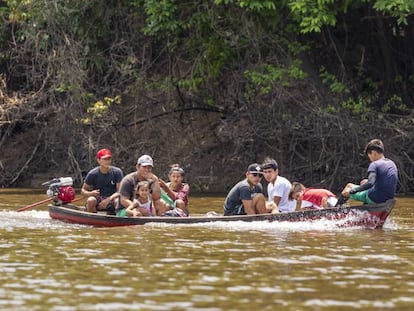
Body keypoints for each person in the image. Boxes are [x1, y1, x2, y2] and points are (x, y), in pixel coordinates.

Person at [337, 139, 398, 205]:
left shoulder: (374, 164)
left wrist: (353, 191)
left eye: (369, 156)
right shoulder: (391, 163)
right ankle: (365, 211)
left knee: (349, 186)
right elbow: (385, 182)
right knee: (366, 189)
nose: (370, 159)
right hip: (388, 198)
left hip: (375, 198)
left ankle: (334, 210)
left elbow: (370, 183)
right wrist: (370, 182)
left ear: (374, 153)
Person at [81, 148, 124, 214]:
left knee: (118, 201)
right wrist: (90, 193)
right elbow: (83, 190)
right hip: (98, 200)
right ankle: (93, 219)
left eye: (109, 159)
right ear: (99, 160)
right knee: (91, 200)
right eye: (104, 159)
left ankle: (117, 218)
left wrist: (109, 199)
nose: (107, 161)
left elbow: (120, 191)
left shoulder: (117, 172)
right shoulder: (93, 173)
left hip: (112, 198)